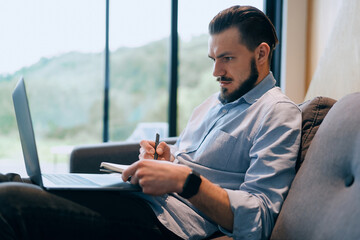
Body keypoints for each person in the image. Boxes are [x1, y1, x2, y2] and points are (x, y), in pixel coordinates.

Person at [0, 5, 301, 240]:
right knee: (11, 181)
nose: (216, 71)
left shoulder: (277, 113)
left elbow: (260, 219)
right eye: (213, 59)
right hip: (143, 201)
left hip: (167, 225)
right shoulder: (210, 105)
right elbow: (185, 162)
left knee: (10, 202)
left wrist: (184, 180)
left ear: (261, 53)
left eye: (227, 58)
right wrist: (166, 159)